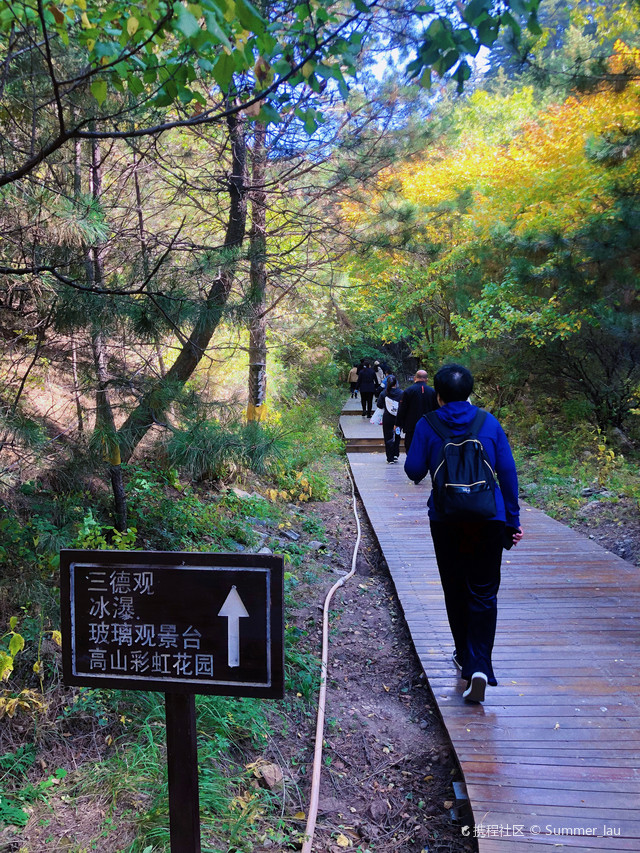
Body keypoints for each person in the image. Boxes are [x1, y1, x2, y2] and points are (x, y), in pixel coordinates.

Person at [404, 363, 523, 704]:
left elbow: (413, 471)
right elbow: (508, 472)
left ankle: (462, 655)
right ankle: (480, 664)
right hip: (489, 517)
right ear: (469, 392)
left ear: (438, 396)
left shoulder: (429, 424)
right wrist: (512, 520)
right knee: (484, 591)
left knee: (455, 588)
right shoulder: (489, 423)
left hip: (446, 519)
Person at [396, 369, 438, 453]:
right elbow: (436, 409)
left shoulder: (408, 391)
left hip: (411, 426)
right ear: (427, 379)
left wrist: (398, 424)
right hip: (428, 425)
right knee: (426, 448)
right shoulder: (433, 392)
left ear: (415, 378)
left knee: (411, 447)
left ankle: (412, 463)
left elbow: (402, 409)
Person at [375, 375, 403, 463]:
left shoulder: (383, 393)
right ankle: (395, 454)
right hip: (398, 418)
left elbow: (379, 405)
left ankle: (389, 457)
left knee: (388, 436)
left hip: (387, 418)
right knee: (397, 435)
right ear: (396, 383)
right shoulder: (401, 393)